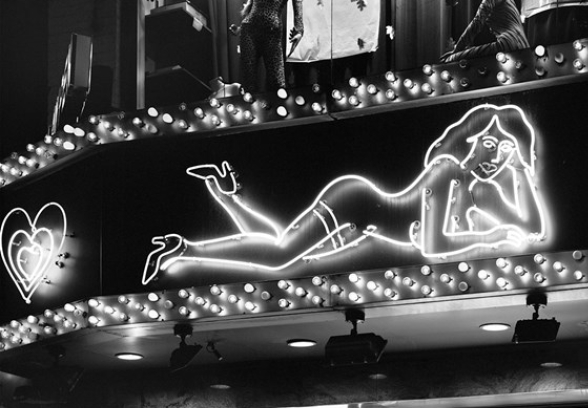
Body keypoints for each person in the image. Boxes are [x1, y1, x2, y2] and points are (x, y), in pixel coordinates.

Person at [141, 102, 549, 284]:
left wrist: (520, 167)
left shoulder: (479, 190)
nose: (497, 156)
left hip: (364, 228)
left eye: (508, 148)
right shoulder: (448, 171)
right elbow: (433, 243)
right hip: (354, 201)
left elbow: (532, 228)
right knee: (283, 254)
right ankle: (185, 248)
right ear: (472, 141)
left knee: (288, 256)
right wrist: (491, 236)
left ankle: (227, 196)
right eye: (493, 145)